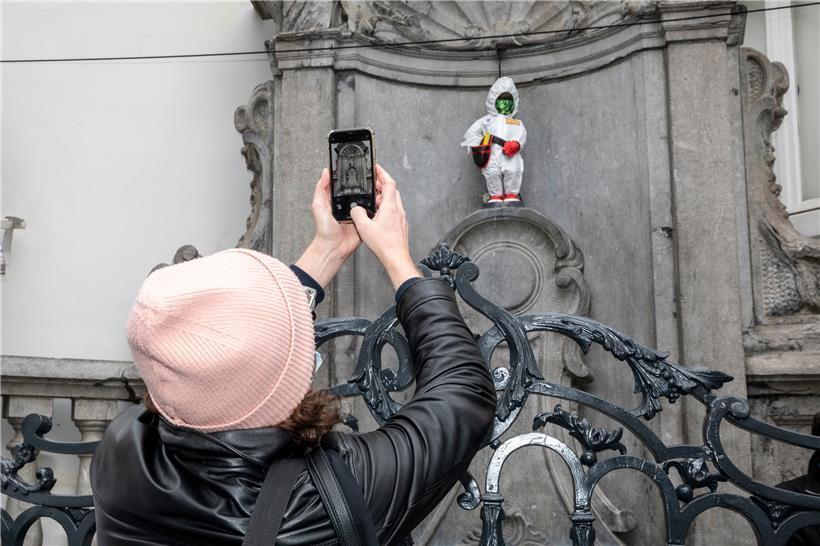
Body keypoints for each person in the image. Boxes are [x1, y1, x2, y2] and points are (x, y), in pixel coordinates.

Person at [90, 165, 497, 545]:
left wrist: (327, 251)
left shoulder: (122, 449)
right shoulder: (325, 497)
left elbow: (229, 353)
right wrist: (398, 260)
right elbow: (463, 399)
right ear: (285, 381)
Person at [461, 76, 527, 205]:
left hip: (510, 154)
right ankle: (495, 195)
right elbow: (471, 133)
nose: (505, 103)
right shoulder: (486, 120)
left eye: (508, 100)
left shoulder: (517, 122)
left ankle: (511, 193)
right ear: (494, 99)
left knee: (513, 170)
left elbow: (522, 134)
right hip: (491, 153)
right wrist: (481, 144)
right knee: (492, 173)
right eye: (502, 99)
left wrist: (517, 144)